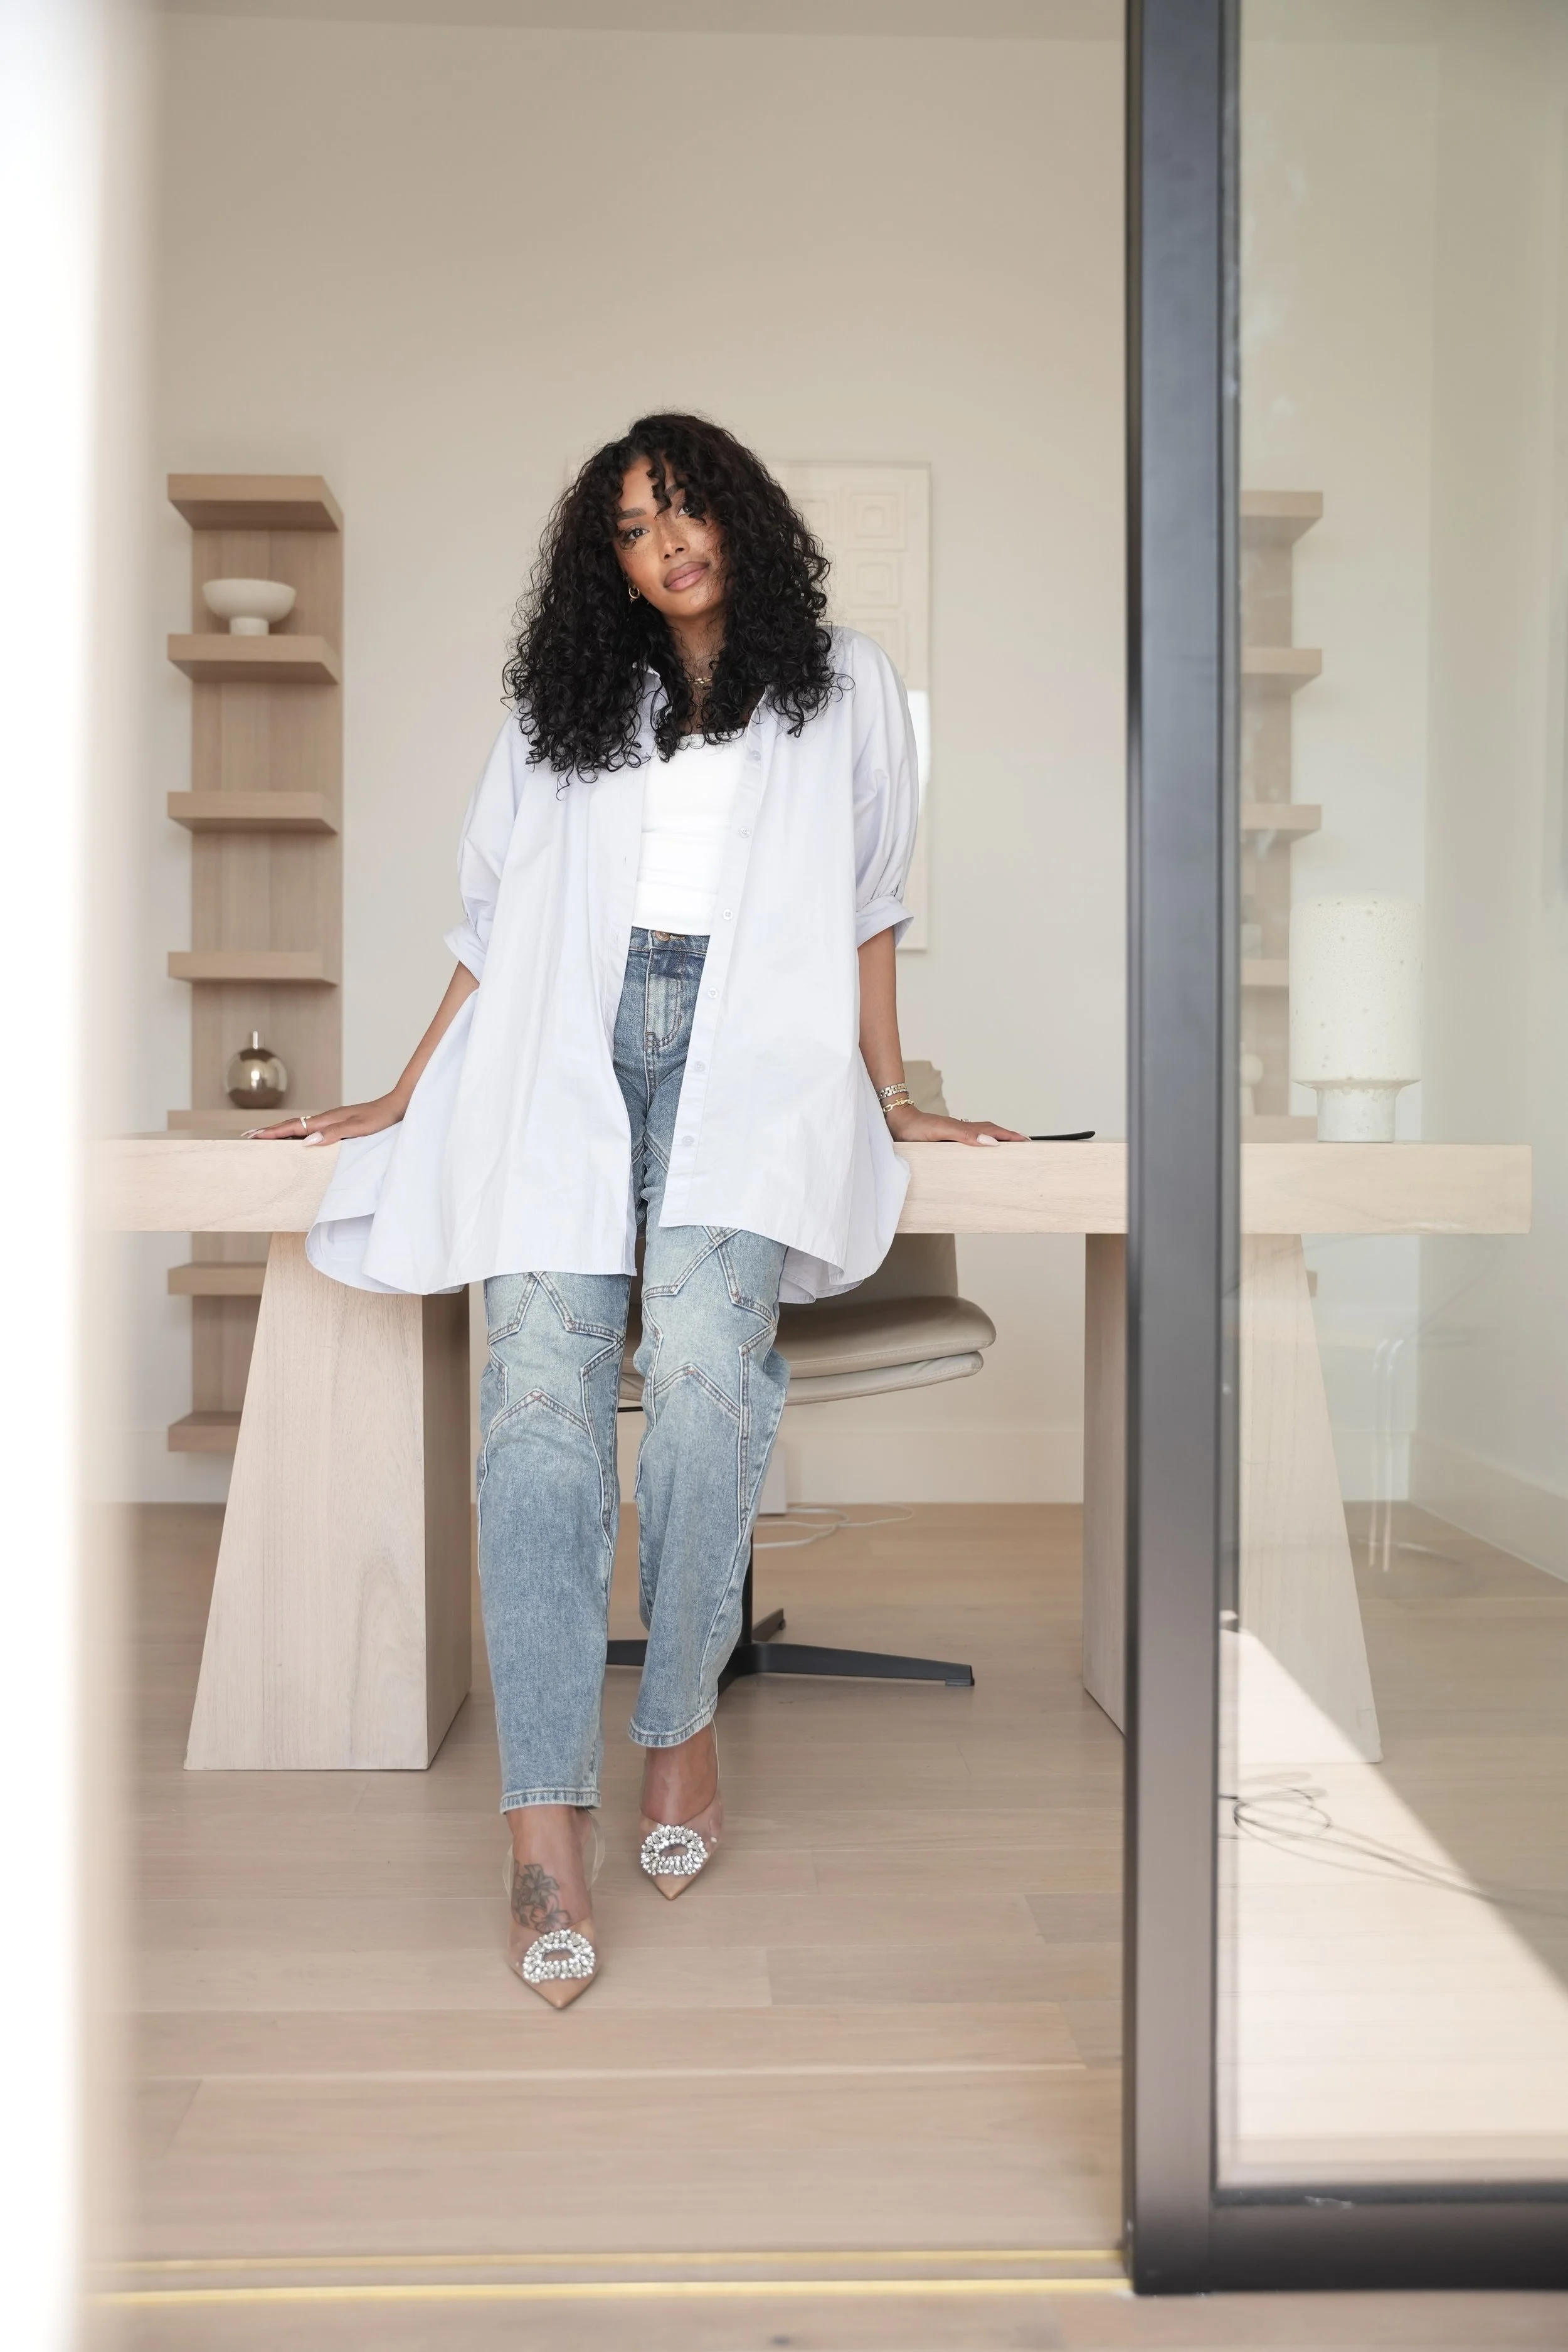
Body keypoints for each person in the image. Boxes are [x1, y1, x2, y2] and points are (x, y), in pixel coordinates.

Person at [250, 414, 1023, 2006]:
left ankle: (675, 1727)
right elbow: (489, 919)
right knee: (534, 1413)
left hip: (752, 1053)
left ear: (734, 513)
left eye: (680, 508)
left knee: (695, 1379)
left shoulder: (844, 684)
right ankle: (544, 1821)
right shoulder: (567, 707)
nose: (661, 542)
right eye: (627, 527)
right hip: (559, 1046)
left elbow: (873, 906)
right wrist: (408, 1088)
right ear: (600, 563)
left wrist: (892, 1099)